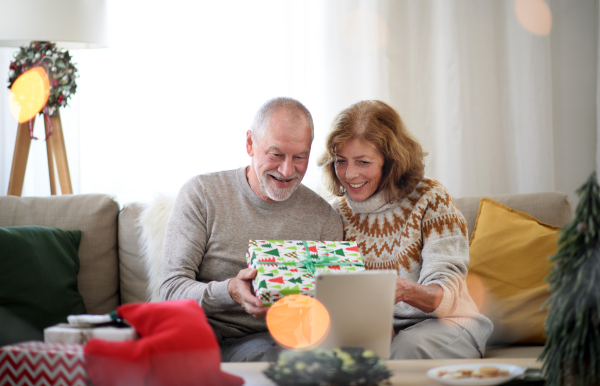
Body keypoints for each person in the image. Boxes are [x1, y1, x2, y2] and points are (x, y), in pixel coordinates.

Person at [160, 97, 343, 362]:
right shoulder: (202, 194)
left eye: (299, 157)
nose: (287, 170)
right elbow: (170, 291)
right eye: (276, 154)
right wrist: (231, 291)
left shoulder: (324, 217)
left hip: (277, 342)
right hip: (201, 333)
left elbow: (329, 306)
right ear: (250, 144)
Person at [318, 100, 493, 359]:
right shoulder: (335, 213)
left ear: (390, 161)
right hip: (372, 331)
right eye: (341, 161)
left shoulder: (431, 199)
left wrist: (401, 291)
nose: (349, 174)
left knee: (406, 348)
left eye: (363, 162)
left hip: (445, 323)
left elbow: (448, 293)